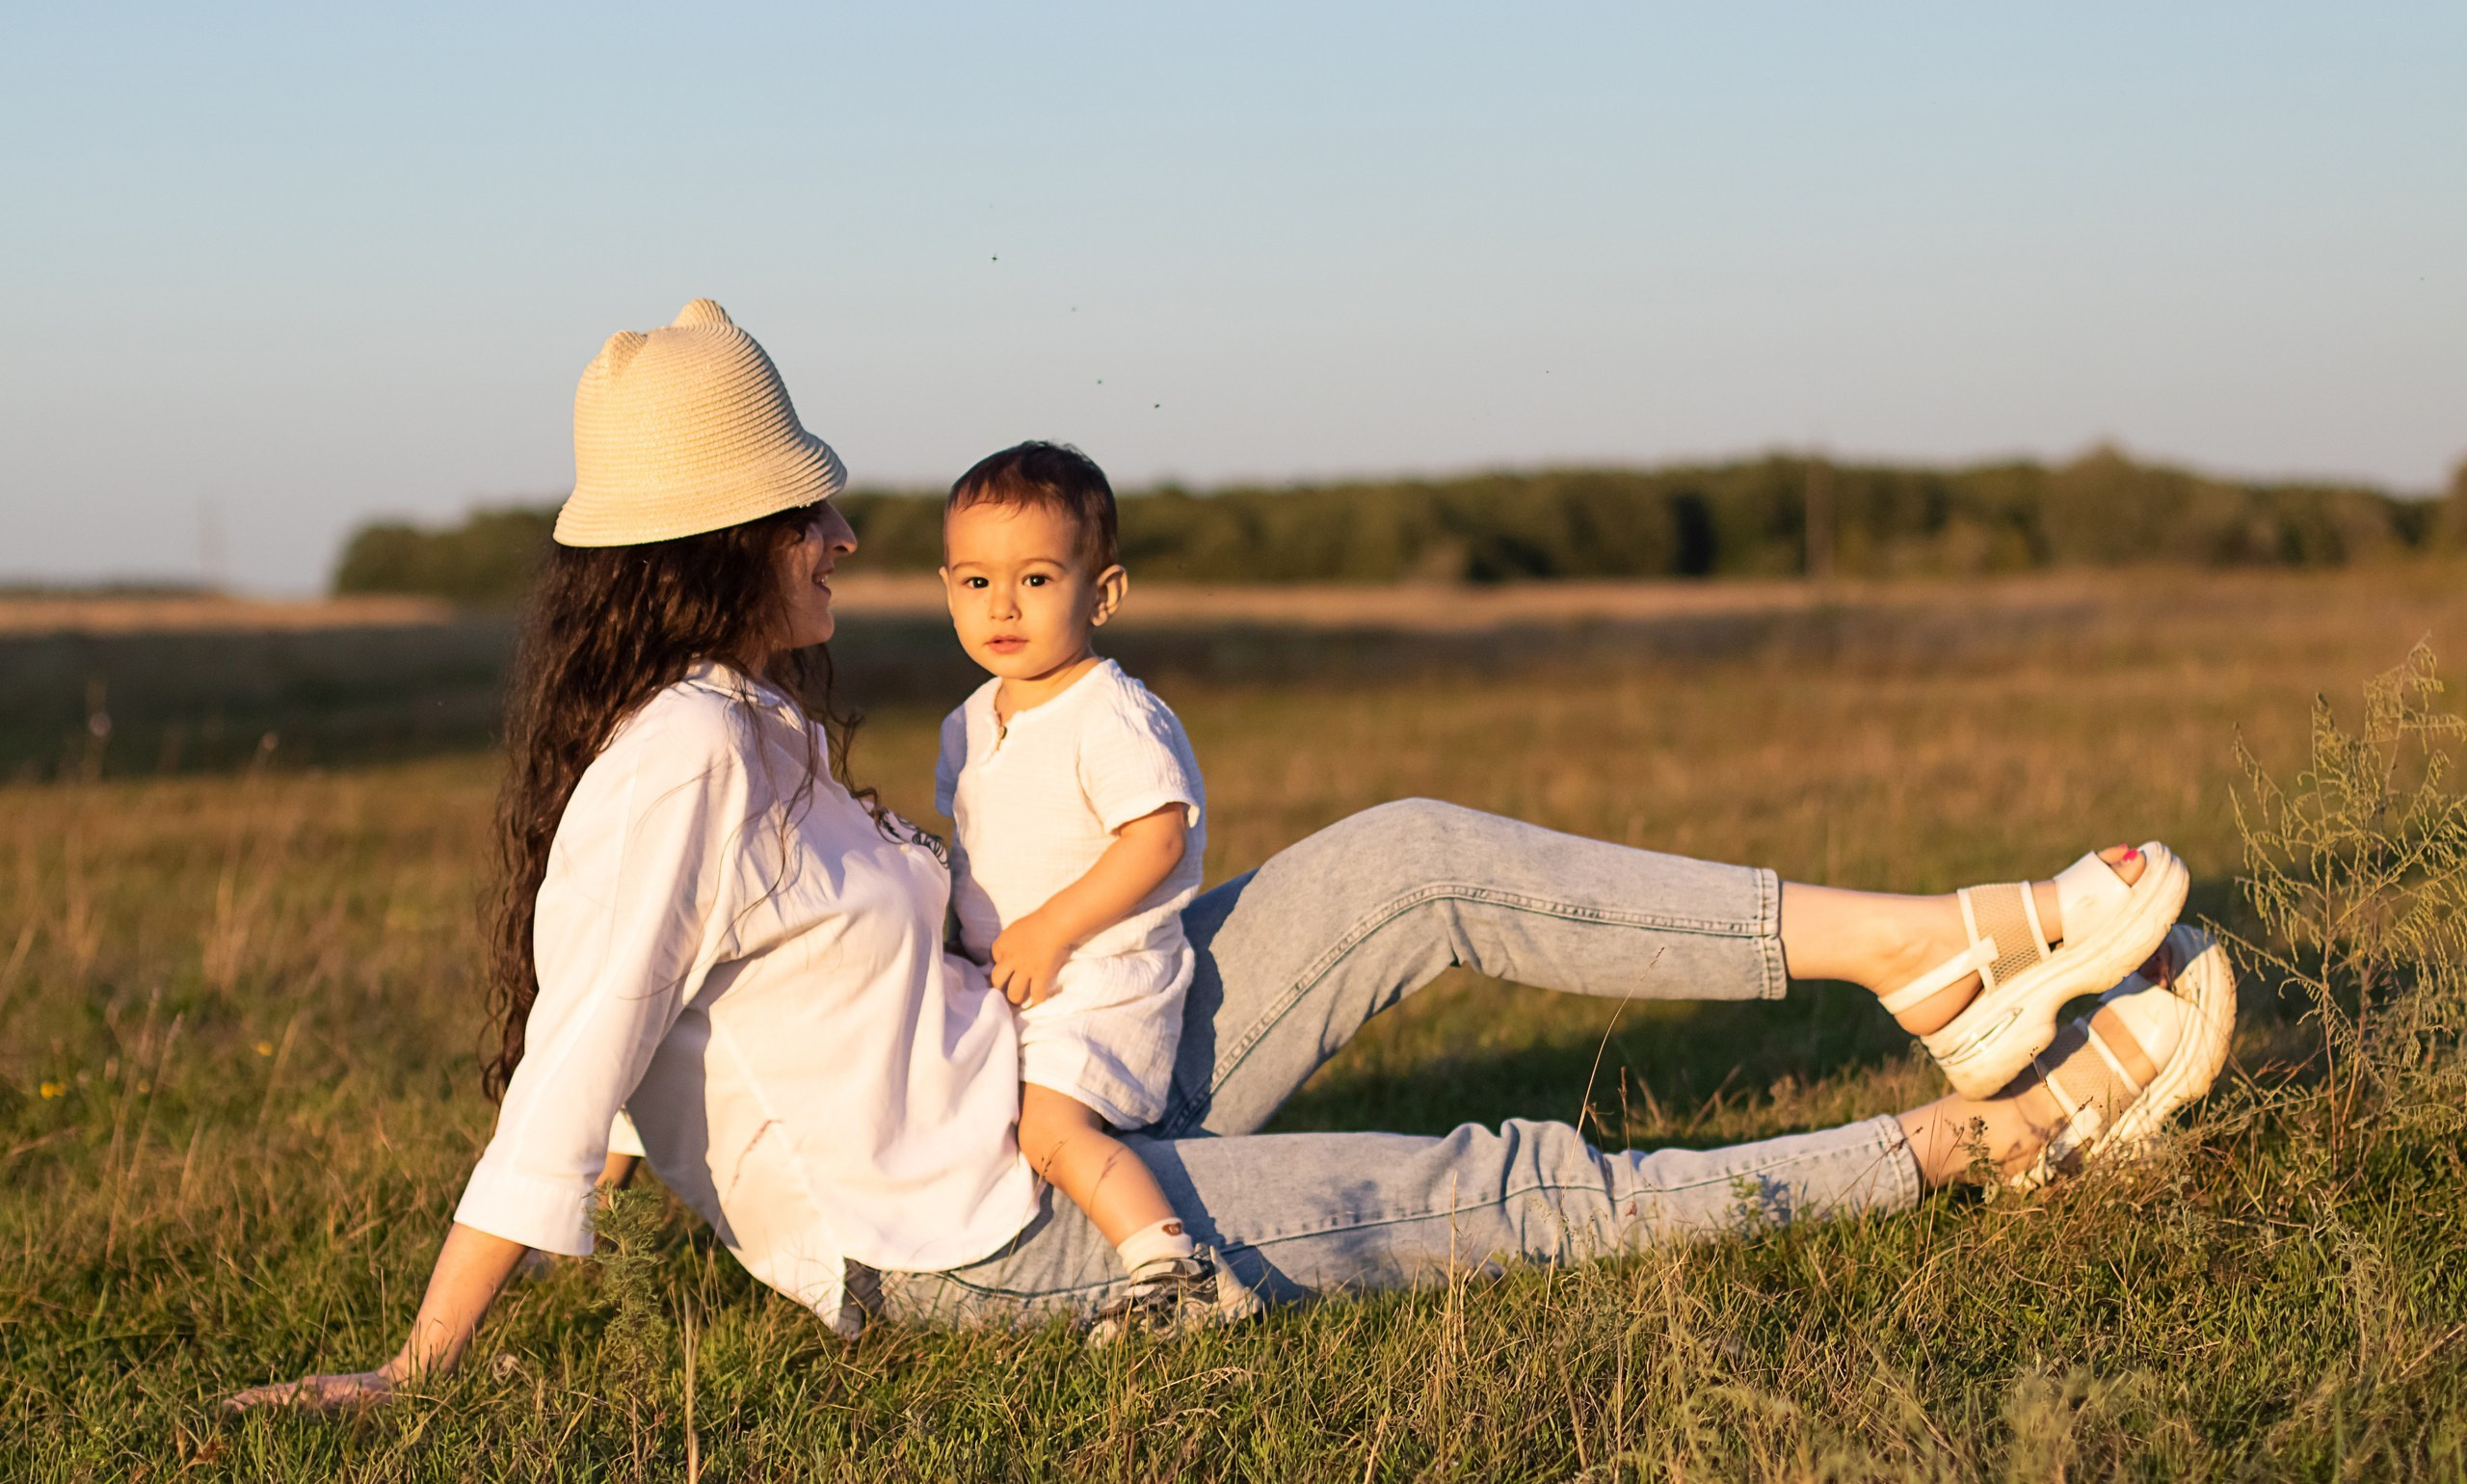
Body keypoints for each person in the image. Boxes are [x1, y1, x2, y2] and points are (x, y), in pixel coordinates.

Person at [227, 300, 2234, 1413]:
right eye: (808, 515)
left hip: (1065, 1071)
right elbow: (570, 1057)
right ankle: (1991, 1140)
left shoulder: (750, 726)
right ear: (714, 547)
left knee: (1414, 855)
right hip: (991, 1231)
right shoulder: (675, 760)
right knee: (1491, 1187)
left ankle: (1923, 950)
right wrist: (414, 1364)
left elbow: (681, 1014)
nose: (843, 539)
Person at [935, 441, 1219, 1338]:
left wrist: (1053, 926)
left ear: (1103, 593)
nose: (1003, 605)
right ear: (947, 587)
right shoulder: (968, 720)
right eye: (976, 582)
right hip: (1020, 981)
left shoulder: (1109, 712)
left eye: (1036, 579)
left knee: (1047, 1131)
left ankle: (1172, 1274)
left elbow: (1157, 837)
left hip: (1101, 977)